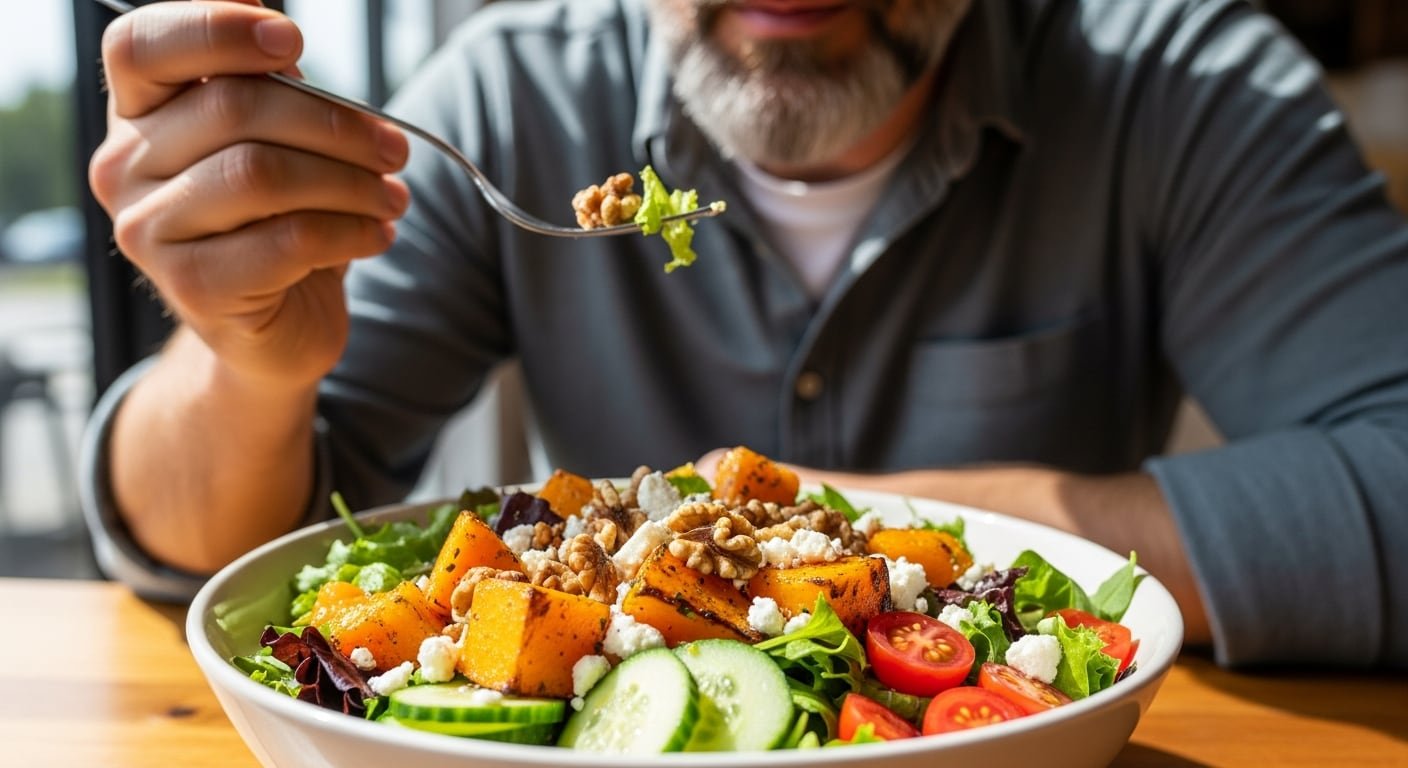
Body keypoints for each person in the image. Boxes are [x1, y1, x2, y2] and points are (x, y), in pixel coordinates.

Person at [82, 0, 1408, 670]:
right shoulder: (507, 95)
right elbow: (207, 562)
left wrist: (832, 528)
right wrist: (240, 360)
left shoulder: (1185, 88)